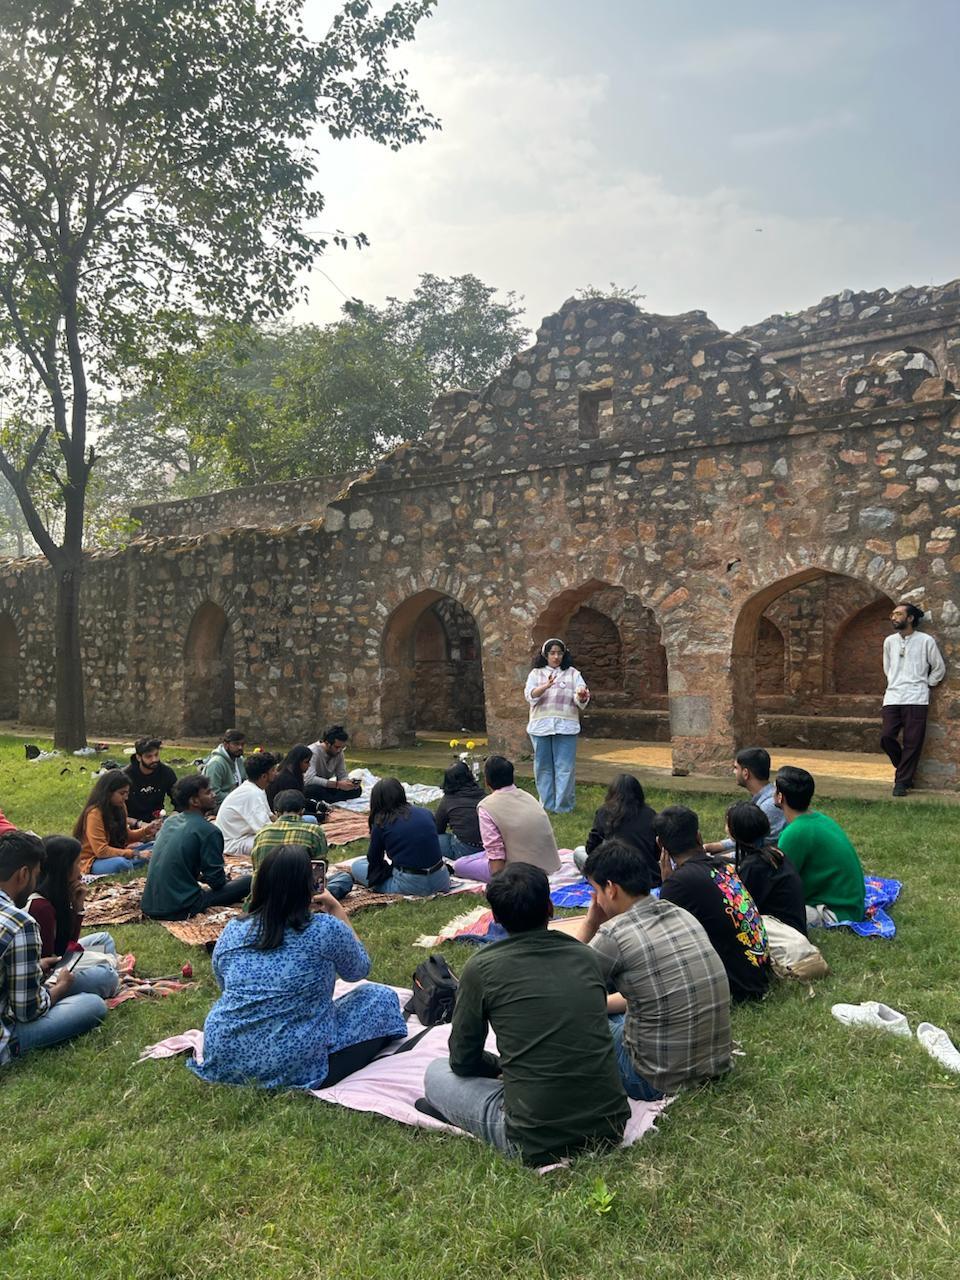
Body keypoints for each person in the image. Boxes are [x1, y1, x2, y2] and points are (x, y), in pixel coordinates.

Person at [422, 863, 629, 1166]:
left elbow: (462, 1060)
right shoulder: (585, 956)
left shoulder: (481, 968)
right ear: (549, 907)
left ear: (495, 918)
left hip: (534, 1139)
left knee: (435, 1073)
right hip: (610, 1124)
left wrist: (498, 1067)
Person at [188, 844, 406, 1089]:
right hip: (292, 1057)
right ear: (309, 885)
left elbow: (224, 984)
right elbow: (359, 969)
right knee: (380, 997)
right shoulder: (325, 928)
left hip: (224, 1051)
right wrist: (336, 908)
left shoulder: (233, 929)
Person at [577, 838, 732, 1100]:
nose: (596, 900)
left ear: (611, 889)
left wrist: (591, 923)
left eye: (596, 892)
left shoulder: (614, 934)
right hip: (715, 1064)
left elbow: (558, 982)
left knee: (577, 1022)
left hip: (654, 1079)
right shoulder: (680, 913)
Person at [0, 830, 107, 1063]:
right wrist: (61, 988)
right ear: (23, 874)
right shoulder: (21, 923)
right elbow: (27, 1010)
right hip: (7, 1035)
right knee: (93, 1004)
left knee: (102, 946)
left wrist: (34, 964)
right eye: (36, 875)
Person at [654, 805, 769, 1003]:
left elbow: (662, 940)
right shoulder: (723, 866)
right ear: (698, 836)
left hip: (737, 988)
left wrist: (667, 885)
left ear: (660, 844)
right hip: (759, 970)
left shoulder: (678, 883)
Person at [142, 775, 252, 921]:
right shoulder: (209, 831)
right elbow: (217, 882)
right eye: (207, 792)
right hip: (180, 907)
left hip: (149, 904)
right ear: (194, 801)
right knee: (249, 881)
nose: (213, 795)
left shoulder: (170, 821)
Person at [27, 836, 121, 999]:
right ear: (64, 868)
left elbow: (69, 944)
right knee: (108, 975)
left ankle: (104, 968)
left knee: (104, 939)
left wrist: (77, 909)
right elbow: (54, 959)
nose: (81, 870)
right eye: (77, 863)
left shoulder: (55, 895)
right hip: (47, 979)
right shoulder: (41, 908)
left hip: (59, 962)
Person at [774, 767, 866, 927]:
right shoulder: (819, 819)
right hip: (852, 905)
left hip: (836, 912)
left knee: (764, 914)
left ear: (780, 797)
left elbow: (778, 882)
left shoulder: (796, 832)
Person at [881, 602, 946, 796]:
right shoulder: (889, 641)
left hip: (917, 698)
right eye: (892, 614)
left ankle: (902, 782)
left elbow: (938, 668)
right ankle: (904, 768)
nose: (893, 617)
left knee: (913, 741)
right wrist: (895, 681)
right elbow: (888, 667)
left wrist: (925, 684)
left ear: (910, 618)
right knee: (886, 737)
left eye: (898, 614)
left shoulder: (925, 640)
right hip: (893, 696)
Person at [463, 755, 560, 884]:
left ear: (486, 781)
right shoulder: (528, 796)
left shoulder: (486, 806)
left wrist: (498, 882)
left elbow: (495, 851)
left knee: (461, 864)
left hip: (519, 872)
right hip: (549, 864)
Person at [350, 778, 450, 896]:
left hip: (410, 885)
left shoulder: (382, 823)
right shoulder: (426, 812)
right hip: (441, 879)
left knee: (357, 866)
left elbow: (374, 860)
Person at [524, 638, 590, 813]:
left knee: (565, 767)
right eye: (552, 653)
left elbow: (581, 696)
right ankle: (546, 805)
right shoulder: (536, 674)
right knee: (543, 767)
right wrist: (546, 686)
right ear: (545, 655)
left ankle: (563, 806)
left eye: (559, 653)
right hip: (541, 725)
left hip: (566, 725)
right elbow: (530, 696)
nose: (556, 657)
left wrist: (582, 695)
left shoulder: (573, 673)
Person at [252, 790, 353, 901]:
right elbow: (319, 870)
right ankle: (315, 902)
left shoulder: (261, 833)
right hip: (301, 898)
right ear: (302, 811)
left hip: (265, 897)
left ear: (276, 813)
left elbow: (257, 870)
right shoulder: (314, 831)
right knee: (344, 878)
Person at [725, 802, 807, 937]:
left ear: (735, 831)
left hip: (785, 936)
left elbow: (742, 911)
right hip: (795, 929)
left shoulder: (755, 866)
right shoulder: (775, 855)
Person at [577, 773, 659, 885]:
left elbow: (591, 849)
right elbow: (657, 851)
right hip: (649, 875)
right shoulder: (650, 814)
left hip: (615, 874)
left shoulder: (604, 812)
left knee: (578, 852)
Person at [74, 769, 159, 875]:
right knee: (121, 864)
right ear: (108, 792)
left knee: (158, 846)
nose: (126, 797)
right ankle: (136, 861)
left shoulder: (121, 806)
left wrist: (145, 831)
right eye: (122, 793)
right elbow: (101, 851)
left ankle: (139, 860)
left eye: (127, 793)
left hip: (118, 852)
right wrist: (135, 853)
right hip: (95, 860)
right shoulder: (94, 814)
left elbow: (126, 835)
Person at [703, 746, 784, 853]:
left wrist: (714, 859)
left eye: (736, 768)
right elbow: (746, 839)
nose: (733, 772)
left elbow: (756, 849)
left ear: (746, 773)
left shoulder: (769, 806)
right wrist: (713, 846)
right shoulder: (765, 799)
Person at [214, 752, 278, 856]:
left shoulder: (257, 789)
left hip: (245, 836)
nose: (276, 773)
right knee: (274, 844)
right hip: (233, 843)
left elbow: (270, 816)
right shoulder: (252, 794)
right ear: (264, 776)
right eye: (273, 770)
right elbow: (266, 830)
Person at [434, 762, 485, 865]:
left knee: (432, 840)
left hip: (465, 849)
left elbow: (437, 829)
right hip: (488, 847)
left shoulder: (448, 800)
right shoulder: (483, 795)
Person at [122, 737, 177, 824]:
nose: (154, 760)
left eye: (156, 755)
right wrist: (138, 824)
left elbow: (180, 800)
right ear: (139, 757)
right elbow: (112, 813)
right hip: (132, 823)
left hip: (158, 820)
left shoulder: (166, 773)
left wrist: (171, 819)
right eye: (149, 756)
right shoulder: (125, 776)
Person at [304, 726, 362, 803]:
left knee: (357, 790)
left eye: (342, 747)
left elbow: (342, 775)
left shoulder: (339, 753)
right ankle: (333, 800)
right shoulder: (313, 752)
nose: (339, 750)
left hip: (327, 787)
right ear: (327, 743)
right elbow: (309, 779)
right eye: (337, 747)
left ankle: (332, 800)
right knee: (312, 790)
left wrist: (348, 784)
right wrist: (337, 784)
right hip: (313, 786)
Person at [267, 744, 318, 813]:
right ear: (297, 762)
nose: (309, 766)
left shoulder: (291, 774)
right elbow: (293, 807)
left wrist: (317, 805)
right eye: (306, 762)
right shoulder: (287, 780)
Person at [203, 730, 248, 806]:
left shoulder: (240, 760)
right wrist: (237, 798)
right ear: (226, 745)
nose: (240, 747)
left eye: (242, 744)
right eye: (236, 744)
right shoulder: (216, 763)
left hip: (238, 802)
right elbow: (214, 794)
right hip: (218, 805)